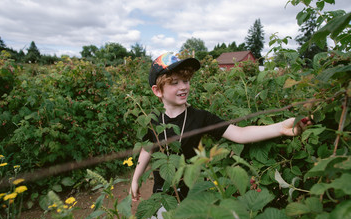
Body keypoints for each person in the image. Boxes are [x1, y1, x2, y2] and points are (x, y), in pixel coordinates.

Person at [130, 52, 311, 202]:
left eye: (186, 81)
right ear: (157, 91)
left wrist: (280, 128)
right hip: (162, 196)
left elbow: (239, 134)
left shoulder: (201, 117)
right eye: (175, 83)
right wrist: (135, 178)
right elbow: (147, 149)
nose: (183, 87)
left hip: (195, 196)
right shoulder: (152, 120)